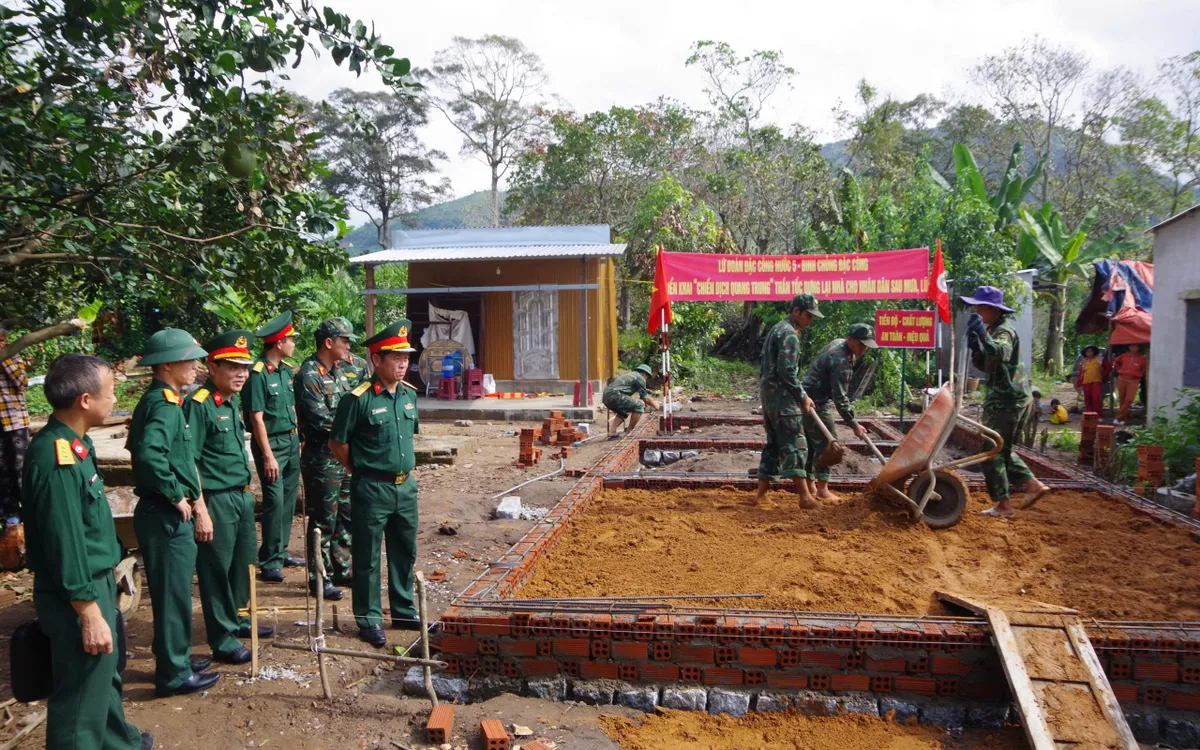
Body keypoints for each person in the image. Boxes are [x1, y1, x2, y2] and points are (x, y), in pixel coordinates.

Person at [23, 354, 154, 749]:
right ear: (85, 399)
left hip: (93, 583)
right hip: (75, 592)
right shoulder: (56, 456)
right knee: (80, 696)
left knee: (103, 678)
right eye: (111, 392)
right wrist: (87, 609)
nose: (115, 399)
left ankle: (120, 743)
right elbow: (65, 540)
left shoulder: (75, 445)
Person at [126, 329, 221, 697]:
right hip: (165, 514)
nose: (197, 367)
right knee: (173, 596)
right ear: (167, 365)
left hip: (163, 512)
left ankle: (175, 657)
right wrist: (177, 496)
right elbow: (150, 454)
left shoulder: (164, 400)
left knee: (175, 592)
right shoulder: (164, 404)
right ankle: (172, 674)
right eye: (190, 360)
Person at [329, 319, 424, 648]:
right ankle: (368, 619)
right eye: (395, 358)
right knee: (367, 556)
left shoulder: (409, 396)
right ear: (376, 360)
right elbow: (338, 443)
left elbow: (408, 439)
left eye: (406, 358)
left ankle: (402, 609)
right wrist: (363, 470)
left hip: (405, 486)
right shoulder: (357, 400)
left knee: (404, 551)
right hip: (371, 487)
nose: (402, 364)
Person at [184, 330, 272, 665]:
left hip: (240, 496)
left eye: (245, 367)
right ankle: (221, 637)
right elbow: (190, 460)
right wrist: (200, 506)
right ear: (212, 365)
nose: (241, 373)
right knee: (216, 569)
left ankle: (237, 618)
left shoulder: (229, 402)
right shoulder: (200, 405)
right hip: (216, 498)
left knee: (243, 563)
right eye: (232, 366)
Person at [962, 286, 1049, 518]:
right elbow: (989, 365)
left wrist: (984, 336)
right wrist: (976, 350)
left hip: (1007, 400)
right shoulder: (994, 330)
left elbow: (1002, 353)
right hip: (1008, 398)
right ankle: (1030, 486)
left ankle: (1005, 504)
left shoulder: (1003, 332)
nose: (977, 310)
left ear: (993, 309)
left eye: (981, 307)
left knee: (992, 451)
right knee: (1000, 449)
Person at [295, 318, 361, 601]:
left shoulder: (341, 372)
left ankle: (342, 568)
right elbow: (321, 419)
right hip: (322, 458)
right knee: (323, 518)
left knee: (346, 514)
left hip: (343, 456)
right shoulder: (309, 374)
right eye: (344, 341)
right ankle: (319, 577)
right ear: (328, 342)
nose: (348, 346)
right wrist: (356, 430)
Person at [245, 311, 303, 583]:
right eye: (291, 339)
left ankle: (280, 551)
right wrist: (267, 455)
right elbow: (256, 418)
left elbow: (290, 407)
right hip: (272, 444)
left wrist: (297, 437)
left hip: (290, 440)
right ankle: (269, 560)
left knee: (289, 500)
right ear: (279, 343)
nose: (293, 344)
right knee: (274, 500)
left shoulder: (284, 371)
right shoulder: (258, 373)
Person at [756, 294, 822, 509]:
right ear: (796, 311)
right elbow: (787, 372)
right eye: (808, 315)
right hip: (784, 398)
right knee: (795, 444)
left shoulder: (776, 328)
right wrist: (802, 396)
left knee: (773, 445)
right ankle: (804, 497)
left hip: (769, 396)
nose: (810, 321)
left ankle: (761, 496)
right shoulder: (789, 334)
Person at [801, 323, 875, 501]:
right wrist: (854, 424)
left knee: (813, 442)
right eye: (861, 344)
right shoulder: (840, 361)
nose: (864, 349)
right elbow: (840, 399)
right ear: (850, 340)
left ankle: (811, 484)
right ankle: (822, 489)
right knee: (829, 444)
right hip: (814, 401)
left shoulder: (839, 344)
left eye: (866, 345)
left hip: (805, 396)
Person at [0, 326, 30, 525]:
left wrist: (5, 358)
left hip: (15, 421)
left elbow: (22, 383)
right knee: (2, 468)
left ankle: (30, 509)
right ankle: (9, 512)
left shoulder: (14, 357)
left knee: (21, 467)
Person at [603, 364, 659, 436]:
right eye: (647, 377)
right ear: (644, 374)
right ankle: (629, 432)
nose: (646, 379)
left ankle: (612, 431)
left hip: (606, 397)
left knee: (623, 411)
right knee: (639, 406)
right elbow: (646, 398)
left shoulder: (631, 375)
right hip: (615, 395)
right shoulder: (640, 378)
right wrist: (655, 405)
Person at [1113, 344, 1147, 425]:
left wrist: (1139, 375)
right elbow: (1116, 362)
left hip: (1133, 380)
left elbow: (1144, 369)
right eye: (1131, 346)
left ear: (1138, 348)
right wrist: (1119, 370)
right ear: (1129, 347)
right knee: (1122, 399)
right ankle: (1123, 419)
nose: (1133, 348)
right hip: (1122, 378)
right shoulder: (1124, 356)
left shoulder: (1142, 358)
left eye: (1135, 346)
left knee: (1129, 400)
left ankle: (1118, 418)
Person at [1076, 345, 1105, 416]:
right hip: (1086, 383)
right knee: (1087, 399)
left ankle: (1098, 415)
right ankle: (1089, 416)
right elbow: (1080, 374)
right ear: (1085, 353)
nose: (1089, 353)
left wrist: (1103, 377)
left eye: (1091, 351)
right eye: (1087, 351)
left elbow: (1107, 368)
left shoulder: (1099, 360)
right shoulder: (1083, 363)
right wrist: (1079, 384)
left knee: (1096, 399)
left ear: (1094, 352)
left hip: (1096, 382)